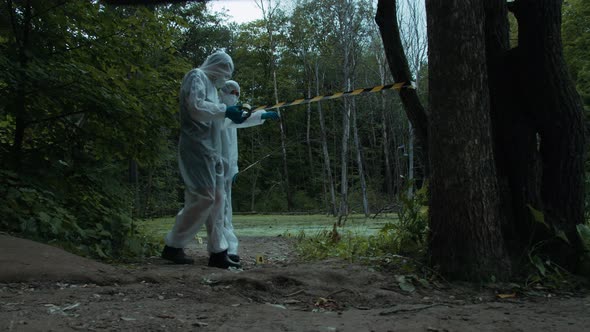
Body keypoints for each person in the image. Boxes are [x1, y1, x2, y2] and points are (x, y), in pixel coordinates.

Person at [161, 50, 247, 268]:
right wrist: (224, 110)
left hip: (212, 151)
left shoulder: (211, 85)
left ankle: (218, 252)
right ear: (215, 66)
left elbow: (218, 119)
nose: (223, 77)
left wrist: (228, 112)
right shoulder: (196, 76)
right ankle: (173, 246)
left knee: (218, 200)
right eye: (223, 71)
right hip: (196, 148)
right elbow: (196, 108)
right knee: (204, 198)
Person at [217, 80, 279, 263]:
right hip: (214, 167)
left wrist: (234, 169)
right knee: (214, 208)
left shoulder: (230, 112)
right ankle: (222, 249)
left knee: (223, 209)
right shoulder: (217, 110)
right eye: (233, 92)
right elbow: (233, 121)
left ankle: (227, 249)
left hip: (226, 168)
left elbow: (237, 128)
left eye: (237, 93)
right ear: (225, 91)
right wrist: (260, 115)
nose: (235, 96)